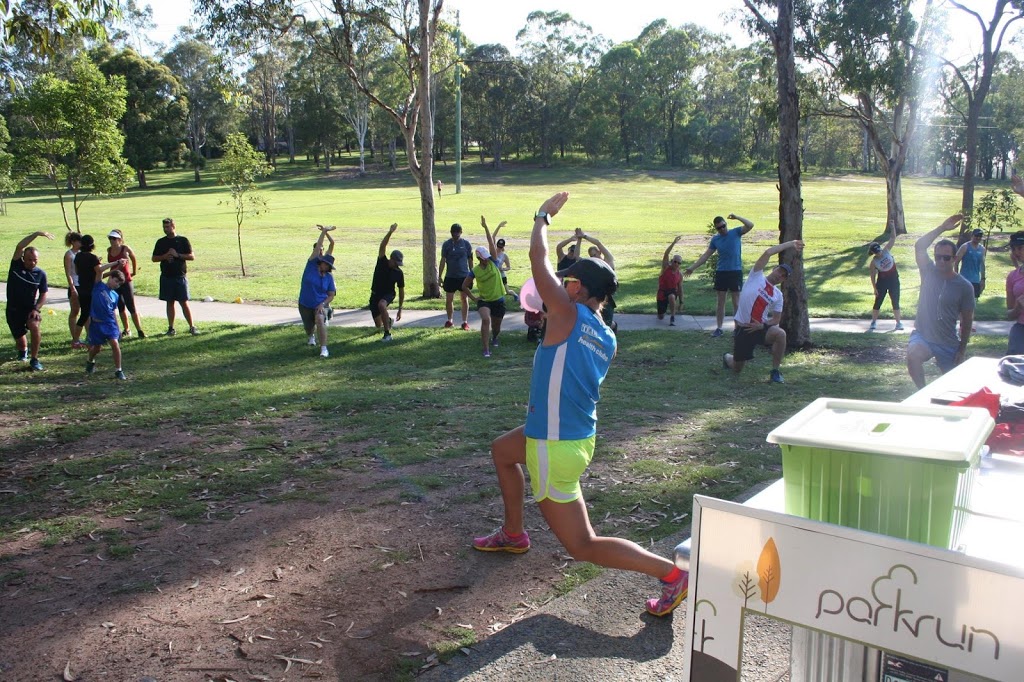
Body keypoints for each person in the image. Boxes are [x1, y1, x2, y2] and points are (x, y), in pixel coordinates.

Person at [472, 192, 688, 618]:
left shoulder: (567, 316)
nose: (561, 285)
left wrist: (541, 217)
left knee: (583, 544)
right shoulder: (605, 334)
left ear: (578, 289)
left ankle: (673, 574)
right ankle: (514, 533)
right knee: (503, 451)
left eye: (568, 281)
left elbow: (538, 260)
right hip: (571, 435)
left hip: (554, 444)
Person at [906, 214, 975, 389]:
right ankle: (922, 393)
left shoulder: (964, 286)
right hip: (924, 335)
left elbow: (967, 321)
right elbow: (920, 246)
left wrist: (962, 349)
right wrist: (942, 228)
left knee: (956, 387)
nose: (941, 261)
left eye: (946, 258)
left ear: (954, 258)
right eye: (938, 257)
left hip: (947, 341)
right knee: (913, 356)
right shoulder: (928, 271)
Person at [722, 240, 805, 383]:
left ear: (784, 280)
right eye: (780, 271)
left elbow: (776, 320)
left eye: (784, 276)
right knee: (737, 367)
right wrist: (791, 244)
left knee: (780, 334)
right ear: (774, 268)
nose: (780, 275)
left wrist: (763, 325)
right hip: (744, 328)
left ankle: (775, 371)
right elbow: (768, 252)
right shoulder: (756, 276)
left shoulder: (778, 295)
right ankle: (727, 358)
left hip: (760, 329)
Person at [684, 213, 755, 337]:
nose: (722, 229)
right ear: (716, 229)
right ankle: (719, 328)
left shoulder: (736, 232)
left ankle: (737, 328)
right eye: (719, 228)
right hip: (721, 272)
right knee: (720, 302)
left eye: (723, 226)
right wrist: (692, 268)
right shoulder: (716, 239)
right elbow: (706, 256)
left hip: (735, 271)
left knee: (736, 302)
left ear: (726, 224)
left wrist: (737, 217)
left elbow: (750, 225)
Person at [7, 230, 54, 371]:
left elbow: (44, 293)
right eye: (29, 259)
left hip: (30, 309)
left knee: (34, 326)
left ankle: (34, 359)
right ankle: (23, 352)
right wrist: (36, 234)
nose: (32, 262)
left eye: (35, 260)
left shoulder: (40, 274)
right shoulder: (16, 266)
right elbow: (19, 246)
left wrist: (36, 308)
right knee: (21, 342)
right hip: (13, 310)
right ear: (23, 258)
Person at [463, 217, 507, 358]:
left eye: (488, 256)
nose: (487, 258)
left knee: (496, 326)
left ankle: (495, 337)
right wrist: (474, 298)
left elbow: (490, 241)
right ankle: (486, 349)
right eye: (485, 257)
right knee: (486, 320)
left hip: (498, 299)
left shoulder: (494, 262)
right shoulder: (475, 271)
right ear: (479, 258)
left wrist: (485, 226)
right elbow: (464, 286)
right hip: (485, 300)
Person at [152, 217, 198, 337]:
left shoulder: (182, 240)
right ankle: (171, 328)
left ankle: (192, 326)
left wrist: (177, 255)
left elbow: (191, 256)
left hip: (180, 276)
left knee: (184, 302)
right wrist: (165, 256)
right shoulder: (161, 242)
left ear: (173, 226)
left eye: (167, 227)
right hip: (166, 276)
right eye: (164, 227)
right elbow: (154, 258)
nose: (165, 229)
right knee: (169, 302)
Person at [85, 260, 130, 380]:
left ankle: (118, 370)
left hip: (109, 323)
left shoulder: (115, 295)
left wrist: (118, 327)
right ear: (110, 278)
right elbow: (99, 269)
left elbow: (113, 312)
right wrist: (116, 263)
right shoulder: (99, 285)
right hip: (96, 323)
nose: (116, 285)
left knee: (115, 344)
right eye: (115, 281)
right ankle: (90, 361)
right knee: (96, 348)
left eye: (119, 284)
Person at [298, 225, 337, 358]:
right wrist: (324, 232)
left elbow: (331, 294)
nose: (327, 267)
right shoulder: (310, 266)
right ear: (321, 263)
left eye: (329, 266)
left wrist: (324, 304)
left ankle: (324, 349)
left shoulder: (328, 277)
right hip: (305, 303)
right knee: (309, 327)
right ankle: (311, 335)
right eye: (325, 264)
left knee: (320, 319)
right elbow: (319, 245)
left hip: (319, 304)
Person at [106, 229, 146, 339]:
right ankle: (126, 329)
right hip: (115, 283)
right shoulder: (109, 250)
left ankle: (139, 330)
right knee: (120, 307)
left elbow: (133, 257)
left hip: (126, 281)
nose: (112, 240)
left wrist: (133, 271)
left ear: (120, 239)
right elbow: (110, 265)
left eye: (114, 238)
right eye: (110, 238)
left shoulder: (125, 249)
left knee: (131, 306)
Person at [370, 223, 404, 342]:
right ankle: (388, 321)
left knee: (382, 305)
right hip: (375, 293)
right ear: (391, 259)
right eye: (396, 263)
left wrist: (400, 308)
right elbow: (382, 245)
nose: (397, 266)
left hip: (388, 293)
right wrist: (390, 232)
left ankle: (387, 334)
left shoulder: (399, 273)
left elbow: (401, 291)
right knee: (378, 324)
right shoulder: (382, 262)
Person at [867, 226, 903, 332]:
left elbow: (893, 238)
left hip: (894, 281)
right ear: (873, 253)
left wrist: (893, 226)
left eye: (879, 250)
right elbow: (873, 276)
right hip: (882, 283)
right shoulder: (873, 263)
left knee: (895, 302)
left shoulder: (887, 250)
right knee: (878, 302)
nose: (879, 253)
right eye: (877, 252)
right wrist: (875, 288)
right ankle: (873, 322)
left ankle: (898, 323)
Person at [438, 223, 473, 330]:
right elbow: (443, 260)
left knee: (464, 298)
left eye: (458, 233)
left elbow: (470, 260)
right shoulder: (446, 245)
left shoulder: (466, 244)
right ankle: (450, 320)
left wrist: (472, 275)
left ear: (461, 232)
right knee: (449, 299)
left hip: (464, 276)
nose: (456, 235)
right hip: (450, 276)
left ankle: (464, 322)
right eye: (454, 233)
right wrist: (439, 275)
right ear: (451, 233)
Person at [582, 232, 616, 331]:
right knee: (598, 324)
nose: (594, 257)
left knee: (607, 325)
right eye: (591, 256)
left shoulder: (608, 261)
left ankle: (613, 329)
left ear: (599, 252)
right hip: (597, 298)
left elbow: (598, 243)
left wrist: (584, 236)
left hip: (608, 299)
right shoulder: (593, 267)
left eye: (595, 254)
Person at [73, 234, 101, 338]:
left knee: (84, 314)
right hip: (92, 289)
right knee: (94, 314)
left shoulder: (78, 256)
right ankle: (94, 337)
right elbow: (99, 271)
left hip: (82, 288)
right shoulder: (93, 258)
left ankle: (76, 339)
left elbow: (76, 271)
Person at [63, 232, 85, 349]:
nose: (80, 243)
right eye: (78, 241)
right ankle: (75, 337)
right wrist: (72, 287)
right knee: (75, 311)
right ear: (73, 242)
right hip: (74, 285)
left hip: (83, 284)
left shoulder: (82, 253)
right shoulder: (69, 255)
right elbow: (68, 273)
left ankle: (88, 337)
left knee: (86, 312)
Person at [658, 236, 684, 326]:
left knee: (672, 296)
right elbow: (666, 254)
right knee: (660, 316)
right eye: (675, 261)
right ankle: (663, 311)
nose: (676, 264)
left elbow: (680, 288)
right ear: (672, 261)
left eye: (678, 263)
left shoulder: (679, 275)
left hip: (672, 291)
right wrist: (673, 243)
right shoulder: (666, 268)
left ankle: (672, 317)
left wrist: (681, 302)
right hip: (662, 292)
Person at [955, 228, 986, 301]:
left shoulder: (982, 249)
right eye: (976, 235)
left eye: (980, 236)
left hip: (976, 280)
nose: (978, 237)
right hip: (964, 279)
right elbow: (956, 262)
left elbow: (982, 265)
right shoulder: (965, 247)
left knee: (973, 303)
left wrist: (983, 279)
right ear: (972, 236)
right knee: (962, 302)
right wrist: (956, 277)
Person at [1005, 231, 1024, 354]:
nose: (1017, 252)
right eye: (1014, 248)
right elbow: (1009, 314)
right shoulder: (1012, 276)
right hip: (1021, 329)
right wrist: (1017, 308)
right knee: (1013, 367)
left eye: (1020, 248)